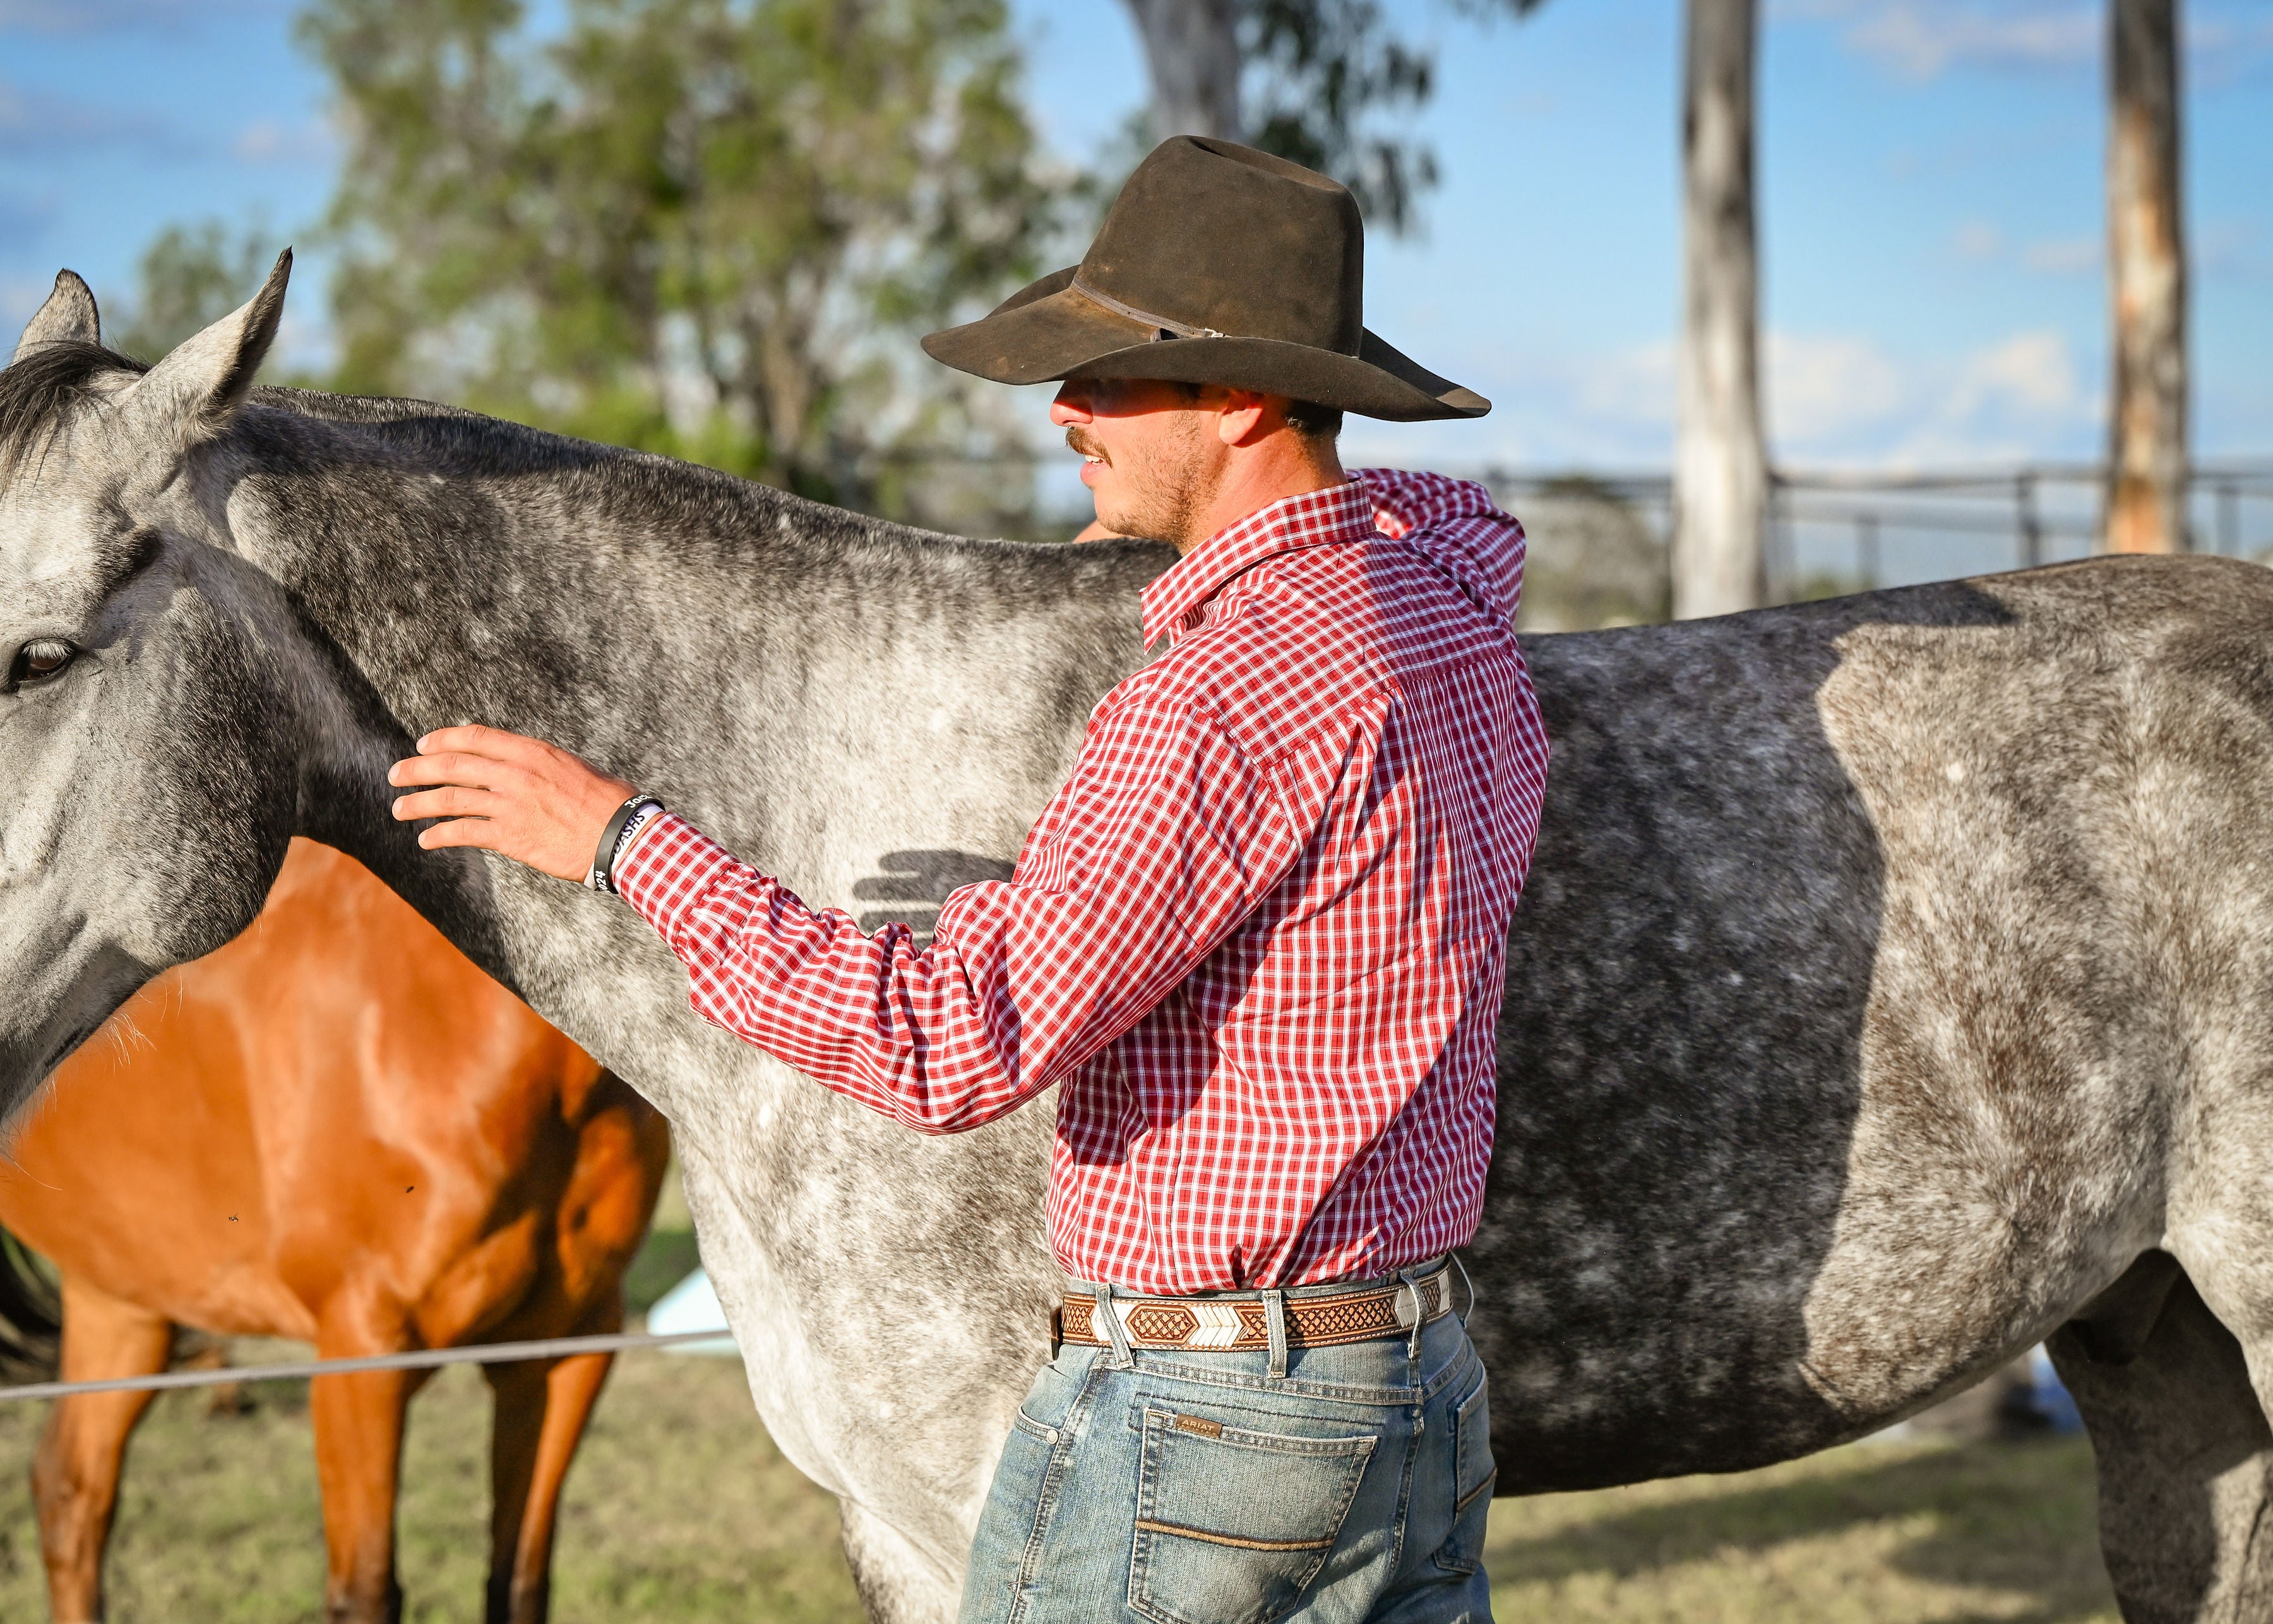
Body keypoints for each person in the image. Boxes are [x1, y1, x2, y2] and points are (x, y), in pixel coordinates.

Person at [389, 136, 1549, 1623]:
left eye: (1114, 374)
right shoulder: (1448, 623)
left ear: (1244, 398)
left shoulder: (1219, 694)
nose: (1066, 409)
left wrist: (626, 843)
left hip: (1212, 1420)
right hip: (1416, 1384)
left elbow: (956, 1043)